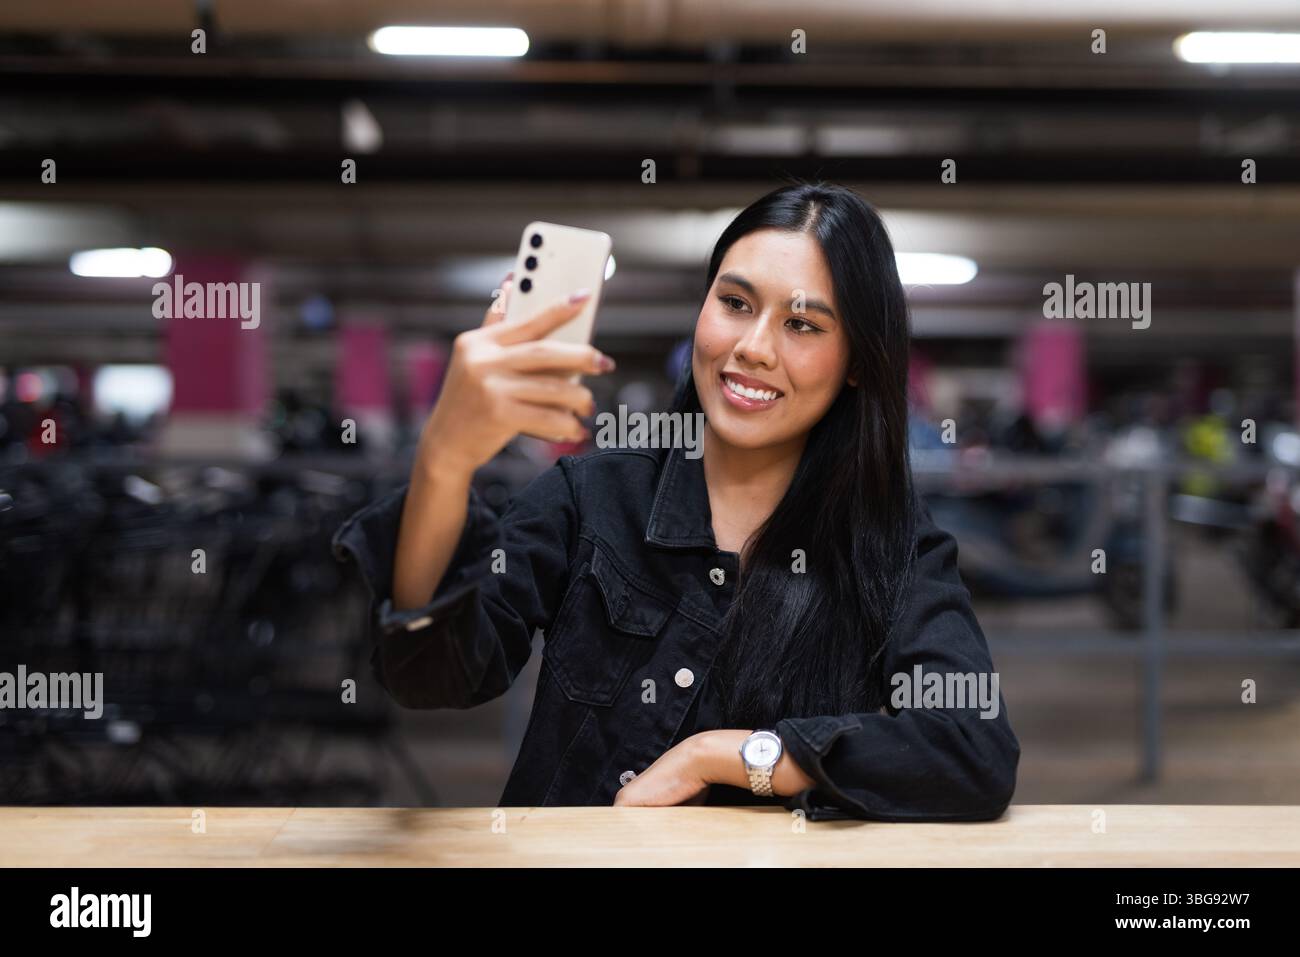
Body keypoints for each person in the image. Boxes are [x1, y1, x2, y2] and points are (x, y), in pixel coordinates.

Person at [333, 182, 1020, 820]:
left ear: (858, 364)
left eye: (802, 325)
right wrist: (446, 459)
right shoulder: (591, 499)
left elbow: (972, 748)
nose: (753, 347)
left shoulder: (891, 544)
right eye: (736, 303)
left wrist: (728, 755)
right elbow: (431, 674)